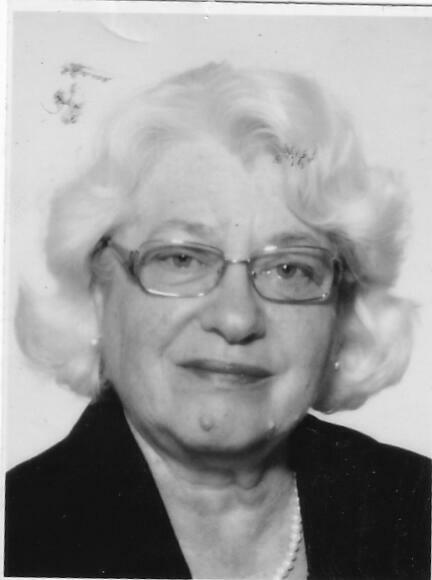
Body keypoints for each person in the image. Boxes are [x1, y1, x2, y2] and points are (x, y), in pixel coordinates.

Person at [4, 63, 430, 580]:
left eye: (290, 269)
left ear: (341, 312)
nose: (236, 318)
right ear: (97, 290)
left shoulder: (415, 507)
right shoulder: (18, 532)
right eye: (182, 258)